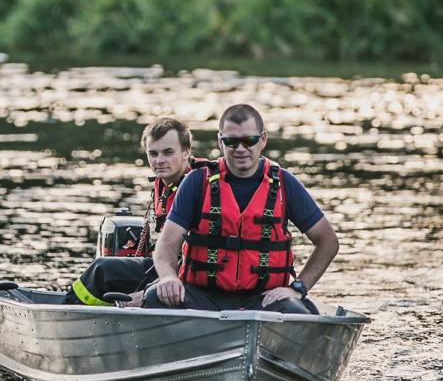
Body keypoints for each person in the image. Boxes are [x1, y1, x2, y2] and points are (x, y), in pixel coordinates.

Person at [144, 104, 339, 314]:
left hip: (265, 300)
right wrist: (168, 277)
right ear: (221, 142)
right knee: (155, 297)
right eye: (231, 141)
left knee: (299, 312)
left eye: (249, 140)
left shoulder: (285, 183)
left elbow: (328, 242)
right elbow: (166, 245)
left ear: (262, 140)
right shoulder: (196, 182)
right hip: (203, 297)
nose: (240, 149)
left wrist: (298, 288)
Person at [62, 117, 212, 306]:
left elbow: (198, 257)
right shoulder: (164, 183)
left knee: (106, 273)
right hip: (166, 265)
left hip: (191, 274)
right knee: (103, 268)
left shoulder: (201, 186)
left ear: (186, 152)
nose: (159, 161)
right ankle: (68, 310)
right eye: (153, 153)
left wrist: (146, 292)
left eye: (168, 152)